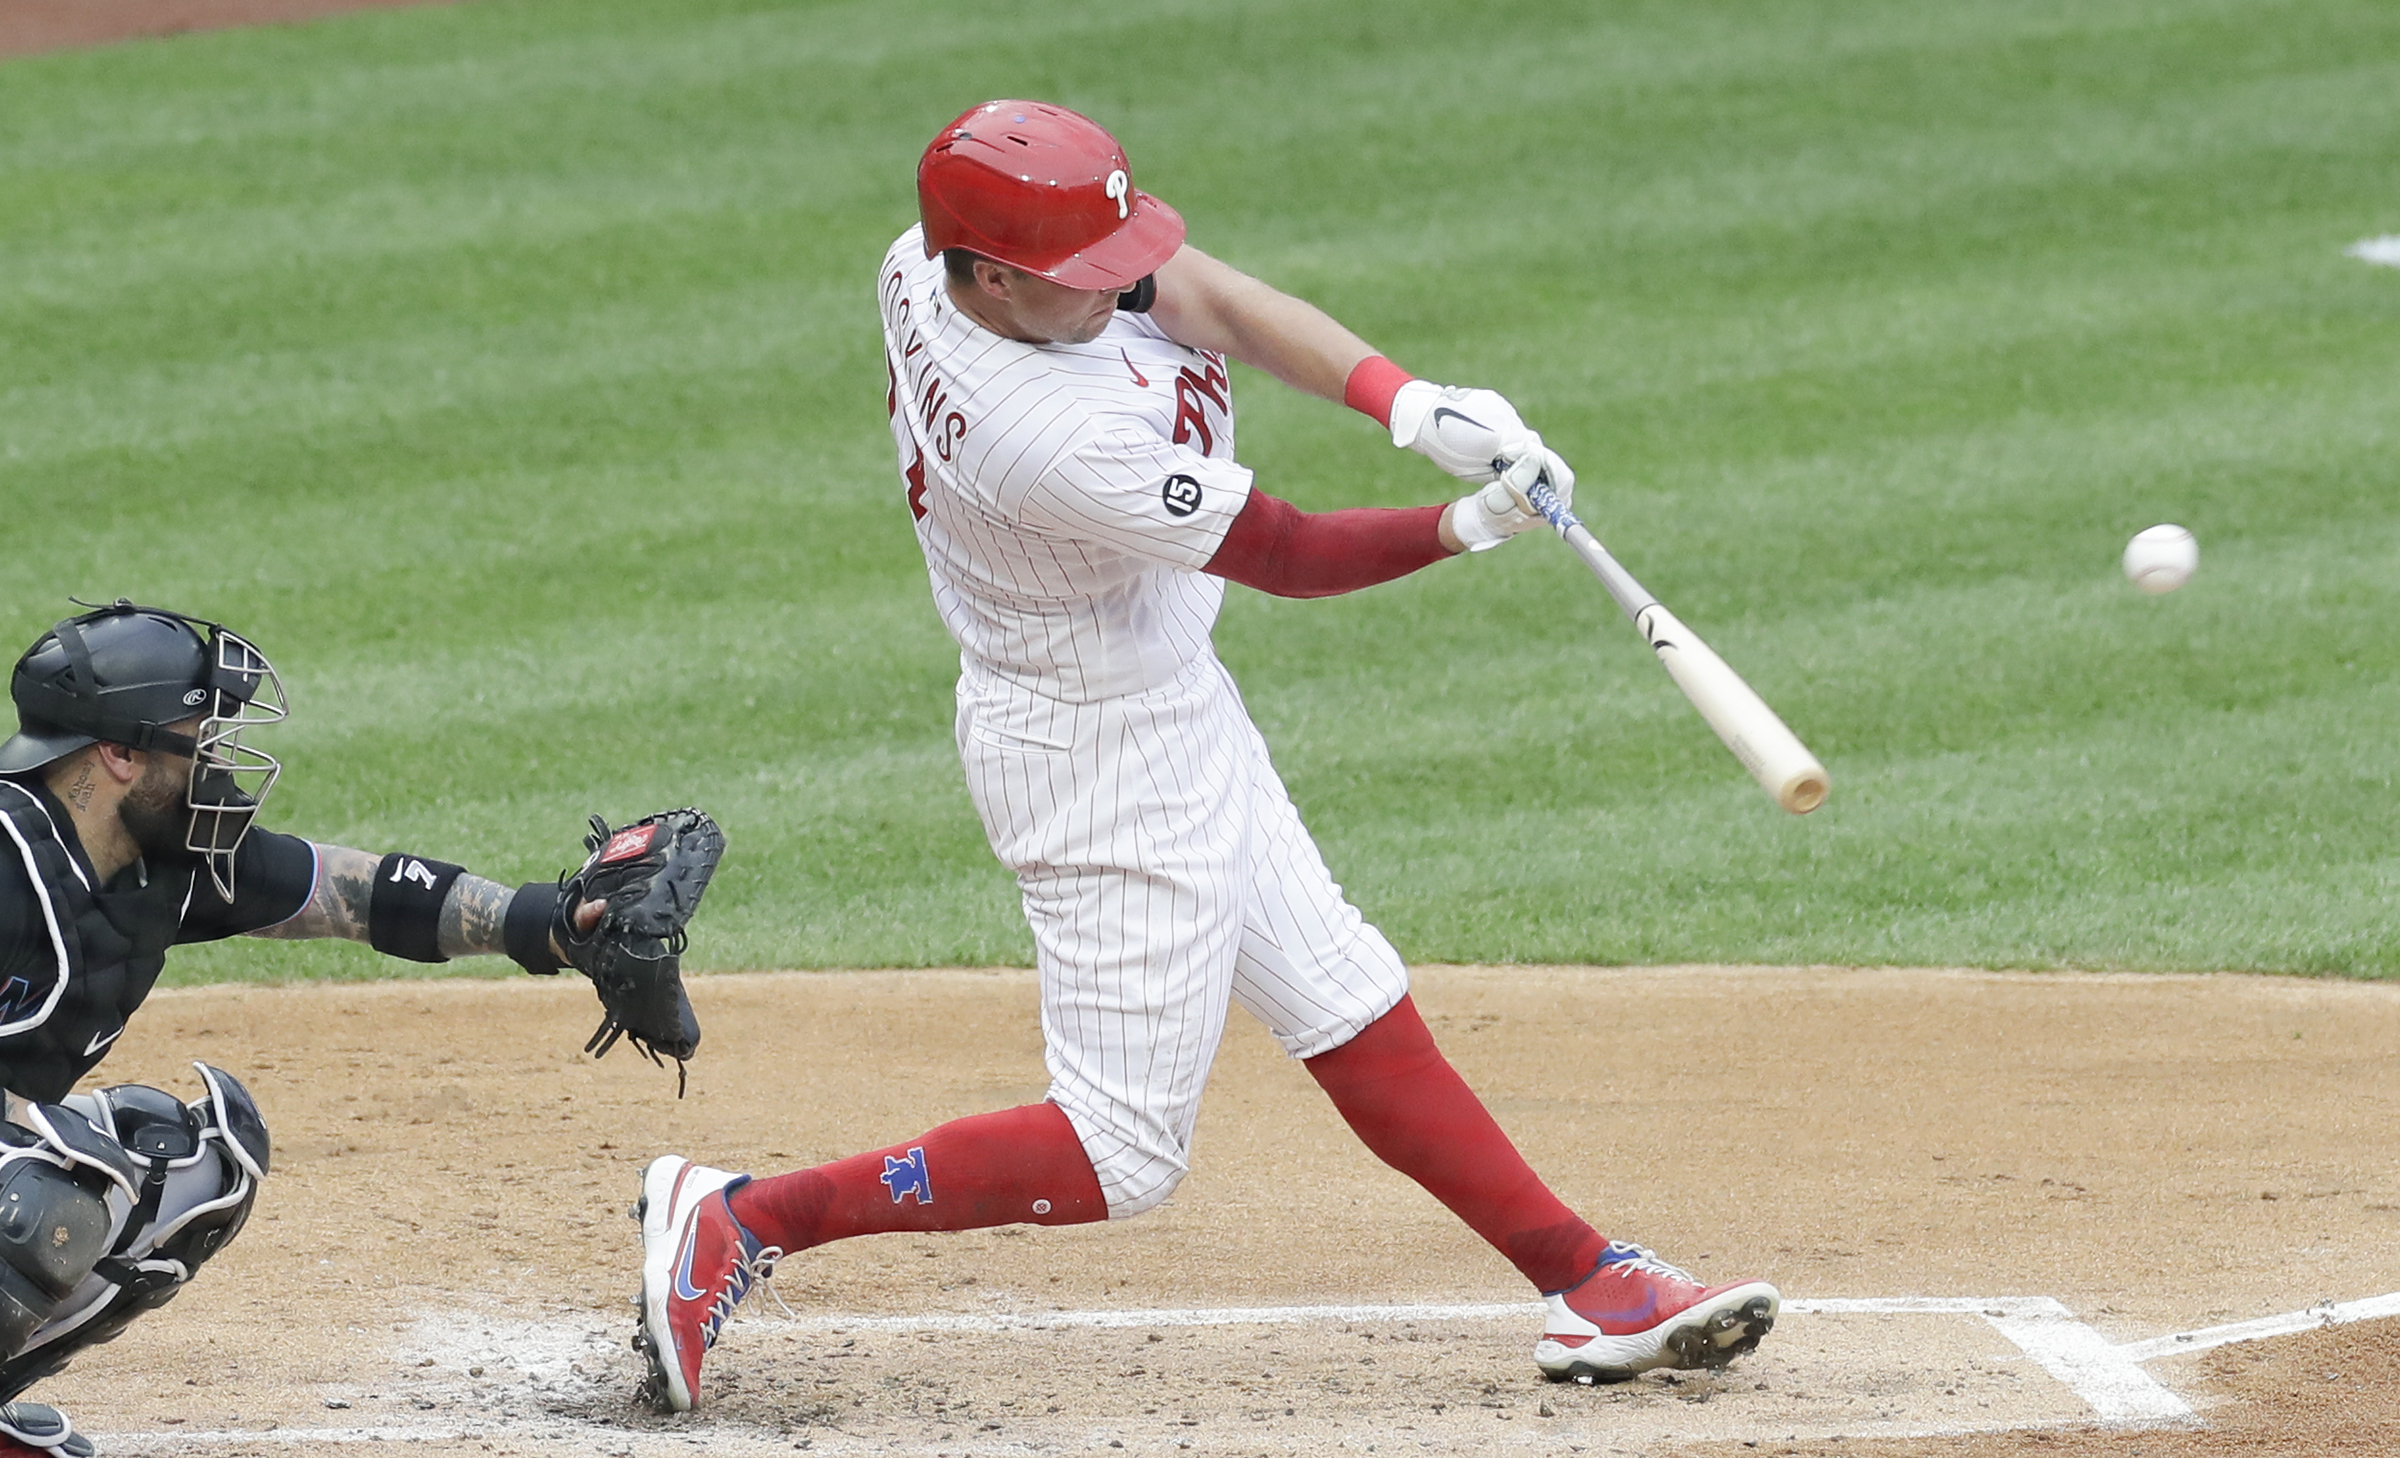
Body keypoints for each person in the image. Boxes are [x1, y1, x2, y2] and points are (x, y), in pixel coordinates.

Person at [632, 100, 1777, 1413]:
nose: (1121, 279)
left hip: (1166, 697)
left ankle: (1589, 1282)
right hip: (1097, 750)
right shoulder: (1044, 435)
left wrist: (1410, 403)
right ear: (993, 279)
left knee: (1344, 990)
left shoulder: (943, 253)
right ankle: (739, 1215)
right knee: (1120, 1151)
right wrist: (1467, 521)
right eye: (1085, 272)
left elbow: (1204, 295)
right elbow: (1287, 553)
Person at [0, 600, 693, 1458]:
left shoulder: (165, 862)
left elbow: (360, 893)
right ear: (118, 753)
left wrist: (550, 924)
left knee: (188, 1170)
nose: (219, 761)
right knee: (43, 1190)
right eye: (197, 740)